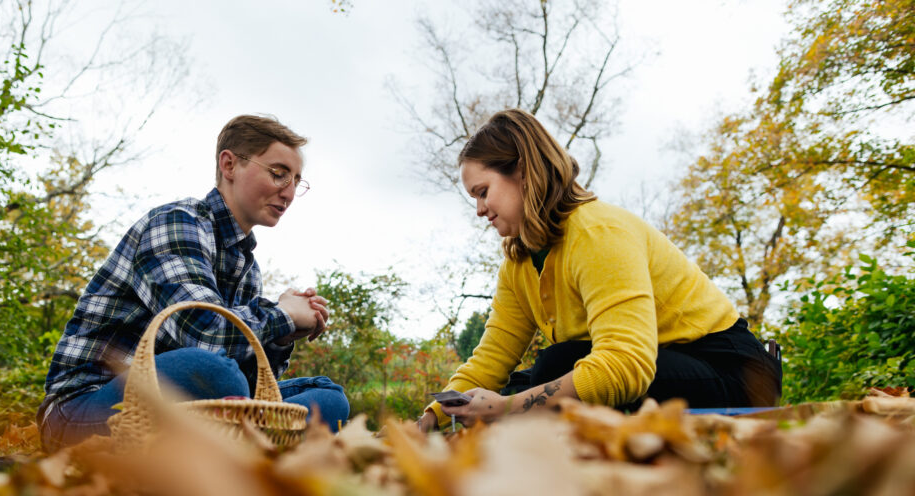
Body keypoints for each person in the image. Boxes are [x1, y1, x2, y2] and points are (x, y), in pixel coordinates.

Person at [418, 109, 781, 432]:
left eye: (483, 192)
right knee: (536, 378)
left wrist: (508, 408)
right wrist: (432, 416)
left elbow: (625, 364)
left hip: (733, 372)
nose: (480, 209)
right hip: (661, 365)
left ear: (523, 173)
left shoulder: (598, 234)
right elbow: (492, 357)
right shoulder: (519, 265)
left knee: (550, 371)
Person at [38, 114, 350, 452]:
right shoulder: (176, 223)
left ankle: (229, 453)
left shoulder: (248, 268)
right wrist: (282, 314)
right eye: (278, 174)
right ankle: (251, 450)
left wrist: (280, 337)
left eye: (296, 181)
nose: (288, 193)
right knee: (215, 375)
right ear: (229, 165)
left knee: (329, 400)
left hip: (189, 404)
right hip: (86, 407)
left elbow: (251, 386)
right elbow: (204, 339)